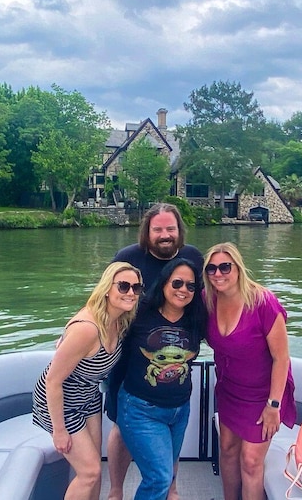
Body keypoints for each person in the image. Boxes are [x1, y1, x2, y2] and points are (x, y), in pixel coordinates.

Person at [106, 202, 204, 500]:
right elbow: (103, 299)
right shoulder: (128, 257)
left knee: (167, 450)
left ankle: (170, 488)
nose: (165, 234)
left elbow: (209, 298)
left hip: (173, 369)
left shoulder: (193, 258)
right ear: (147, 231)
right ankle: (115, 490)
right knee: (121, 427)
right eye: (158, 229)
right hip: (127, 362)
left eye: (170, 228)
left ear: (179, 231)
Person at [32, 262, 143, 500]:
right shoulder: (88, 329)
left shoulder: (120, 321)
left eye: (136, 287)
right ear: (106, 289)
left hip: (89, 396)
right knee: (89, 472)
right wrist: (59, 430)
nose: (131, 293)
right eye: (123, 286)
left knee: (95, 471)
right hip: (60, 402)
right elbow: (53, 381)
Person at [202, 242, 297, 500]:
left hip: (263, 395)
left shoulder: (264, 303)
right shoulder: (207, 299)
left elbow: (281, 358)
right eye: (211, 269)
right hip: (229, 390)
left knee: (251, 461)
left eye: (224, 267)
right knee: (228, 450)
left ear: (238, 268)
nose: (218, 274)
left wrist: (273, 405)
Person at [117, 258, 207, 499]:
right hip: (140, 408)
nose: (183, 290)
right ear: (164, 282)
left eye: (191, 286)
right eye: (177, 282)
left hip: (180, 410)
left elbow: (231, 330)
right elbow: (103, 318)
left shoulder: (197, 318)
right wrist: (71, 332)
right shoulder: (140, 312)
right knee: (159, 478)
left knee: (168, 475)